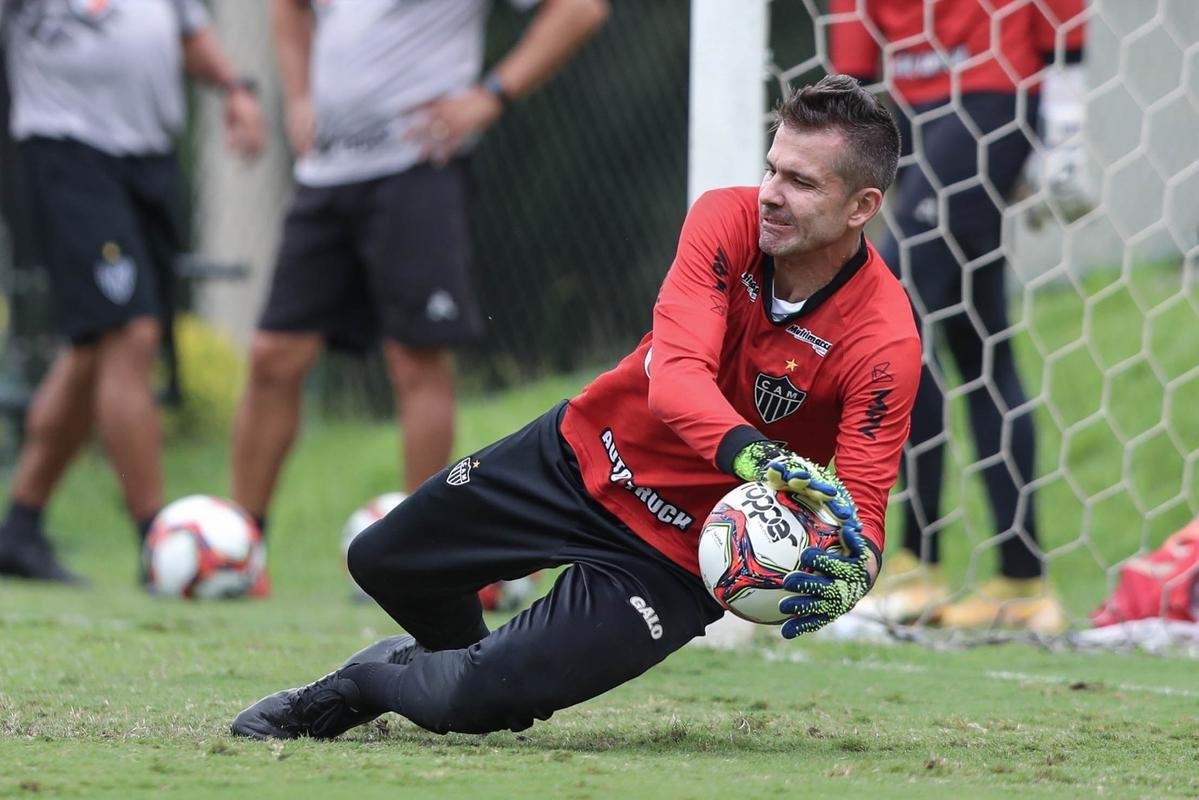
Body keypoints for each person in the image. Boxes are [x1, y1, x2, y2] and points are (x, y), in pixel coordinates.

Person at [229, 75, 921, 741]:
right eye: (772, 169)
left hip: (671, 559)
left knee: (476, 701)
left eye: (799, 183)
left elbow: (860, 512)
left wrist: (843, 578)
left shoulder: (883, 341)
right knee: (382, 560)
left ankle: (373, 684)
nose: (770, 194)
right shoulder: (724, 218)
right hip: (583, 453)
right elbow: (675, 378)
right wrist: (755, 455)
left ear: (861, 206)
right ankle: (472, 675)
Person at [231, 0, 609, 597]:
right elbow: (289, 9)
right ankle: (237, 552)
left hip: (417, 168)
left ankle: (422, 557)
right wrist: (299, 96)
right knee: (273, 356)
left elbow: (581, 9)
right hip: (327, 173)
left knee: (416, 362)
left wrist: (490, 95)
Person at [829, 0, 1088, 633]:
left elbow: (1062, 15)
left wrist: (1066, 131)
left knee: (891, 308)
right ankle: (1022, 583)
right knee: (977, 341)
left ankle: (916, 566)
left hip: (993, 98)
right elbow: (855, 66)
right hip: (911, 120)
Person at [0, 0, 265, 583]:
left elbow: (189, 32)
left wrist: (235, 89)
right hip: (67, 152)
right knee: (131, 333)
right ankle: (158, 541)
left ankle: (19, 526)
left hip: (149, 162)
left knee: (95, 346)